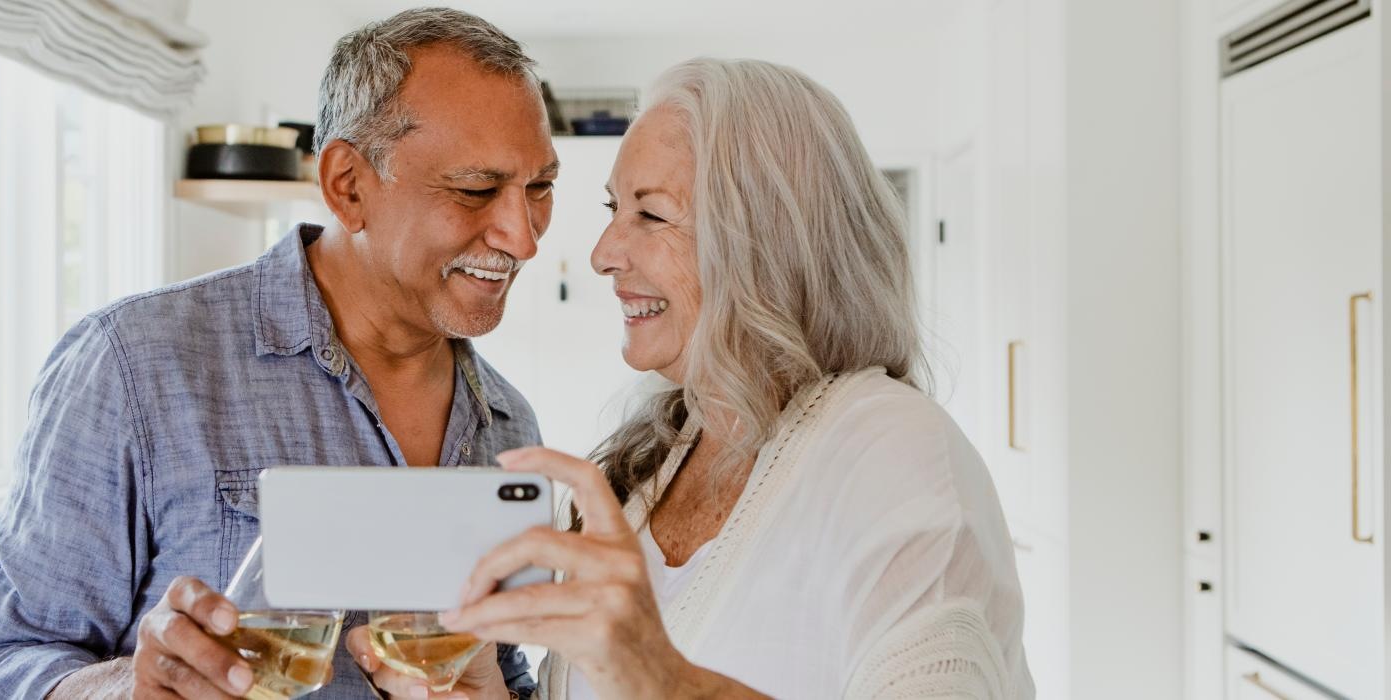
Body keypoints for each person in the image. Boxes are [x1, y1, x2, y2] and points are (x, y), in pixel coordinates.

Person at [347, 58, 1035, 699]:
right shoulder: (647, 470)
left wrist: (661, 674)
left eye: (651, 214)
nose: (603, 254)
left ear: (767, 242)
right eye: (613, 211)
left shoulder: (892, 450)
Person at [0, 8, 560, 699]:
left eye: (539, 189)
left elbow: (502, 674)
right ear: (348, 184)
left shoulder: (508, 425)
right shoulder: (133, 365)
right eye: (476, 190)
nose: (523, 237)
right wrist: (123, 689)